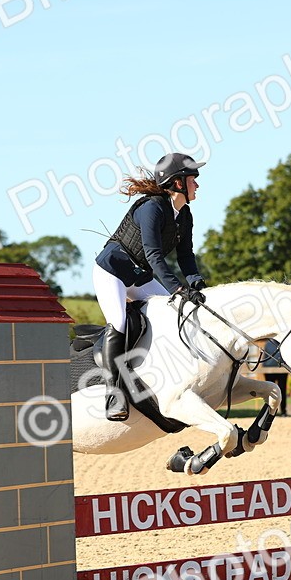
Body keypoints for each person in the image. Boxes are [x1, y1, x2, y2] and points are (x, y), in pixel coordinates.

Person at [94, 152, 207, 421]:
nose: (198, 185)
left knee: (174, 311)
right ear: (178, 183)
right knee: (119, 321)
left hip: (138, 276)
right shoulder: (152, 208)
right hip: (111, 272)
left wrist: (195, 282)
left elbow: (186, 256)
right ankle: (114, 395)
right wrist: (176, 288)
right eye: (193, 180)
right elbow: (154, 254)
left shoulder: (185, 215)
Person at [262, 339, 291, 417]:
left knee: (282, 390)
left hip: (282, 370)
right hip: (269, 370)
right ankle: (268, 411)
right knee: (269, 392)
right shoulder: (268, 343)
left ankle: (283, 411)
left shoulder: (284, 343)